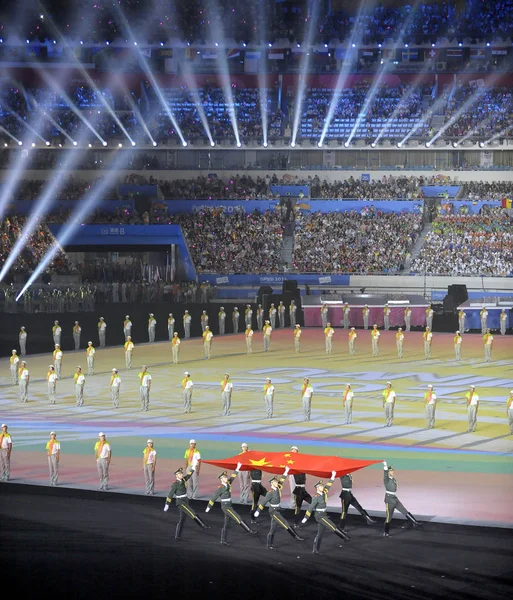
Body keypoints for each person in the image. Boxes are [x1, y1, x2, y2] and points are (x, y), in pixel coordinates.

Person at [205, 464, 257, 545]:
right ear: (221, 479)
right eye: (224, 477)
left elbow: (232, 477)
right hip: (225, 507)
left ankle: (222, 540)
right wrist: (209, 507)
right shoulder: (220, 488)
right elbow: (214, 498)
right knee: (237, 517)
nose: (226, 478)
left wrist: (237, 468)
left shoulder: (228, 483)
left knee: (226, 523)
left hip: (229, 505)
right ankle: (249, 530)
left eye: (226, 477)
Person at [253, 467, 304, 550]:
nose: (277, 483)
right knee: (285, 523)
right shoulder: (270, 493)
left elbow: (282, 480)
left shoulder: (277, 488)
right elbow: (263, 502)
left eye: (277, 482)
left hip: (277, 510)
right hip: (273, 511)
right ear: (272, 483)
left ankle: (269, 545)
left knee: (272, 528)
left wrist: (286, 471)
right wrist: (258, 511)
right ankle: (296, 536)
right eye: (275, 482)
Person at [300, 472, 350, 554]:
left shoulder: (324, 493)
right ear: (317, 488)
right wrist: (306, 517)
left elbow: (328, 485)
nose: (322, 487)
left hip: (324, 514)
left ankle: (315, 549)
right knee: (332, 525)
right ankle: (345, 537)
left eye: (322, 486)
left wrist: (333, 476)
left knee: (320, 533)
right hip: (319, 516)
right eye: (320, 486)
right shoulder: (316, 497)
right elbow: (310, 507)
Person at [164, 466, 210, 540]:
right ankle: (203, 525)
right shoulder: (175, 484)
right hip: (180, 502)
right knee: (192, 512)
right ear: (176, 475)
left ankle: (177, 536)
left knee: (182, 519)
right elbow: (170, 494)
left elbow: (189, 475)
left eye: (181, 473)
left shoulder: (183, 480)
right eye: (180, 474)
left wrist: (193, 468)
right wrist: (167, 504)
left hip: (185, 500)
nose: (181, 475)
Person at [382, 461, 420, 536]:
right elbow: (385, 475)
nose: (393, 472)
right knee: (388, 517)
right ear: (389, 472)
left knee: (404, 510)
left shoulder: (393, 479)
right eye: (391, 470)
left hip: (394, 498)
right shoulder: (387, 480)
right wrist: (385, 466)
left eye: (393, 470)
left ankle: (415, 522)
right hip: (389, 500)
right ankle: (386, 532)